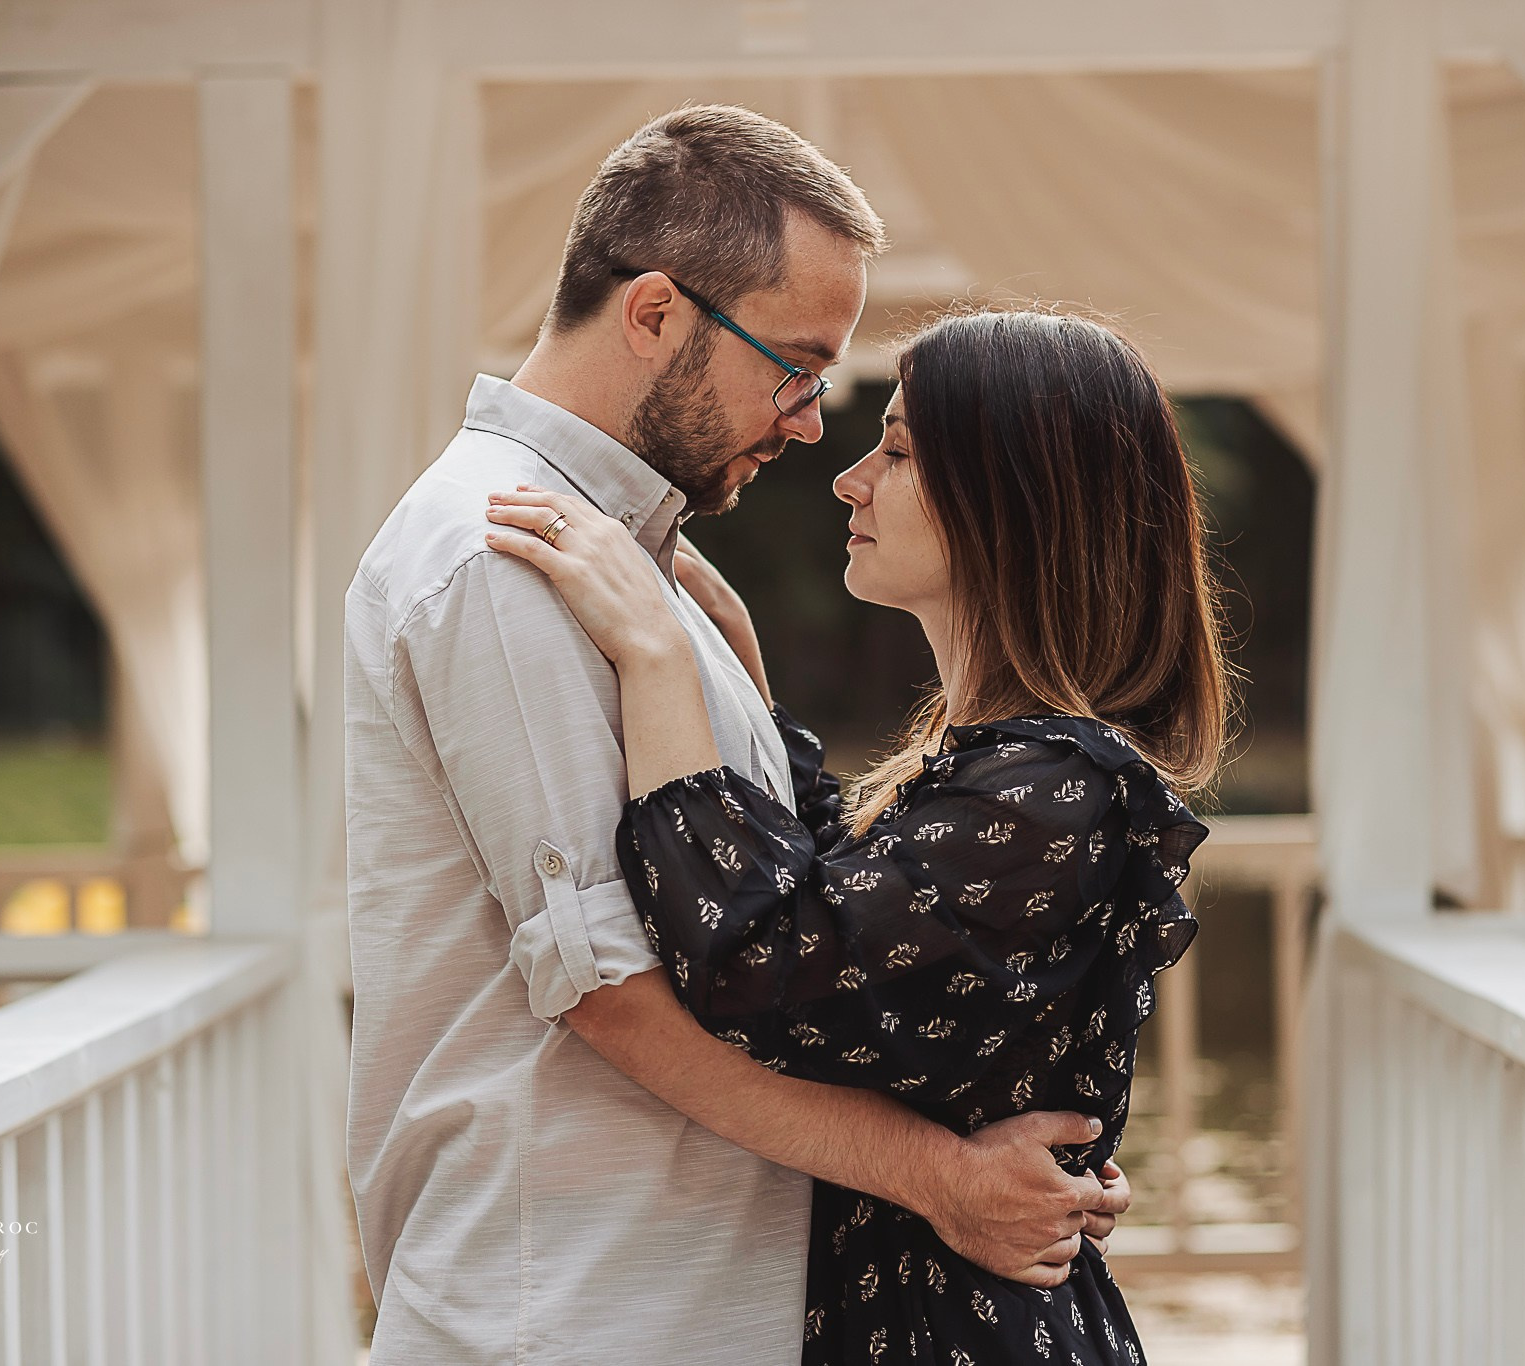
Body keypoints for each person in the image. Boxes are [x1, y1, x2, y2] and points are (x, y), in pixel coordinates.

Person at [344, 107, 1127, 1365]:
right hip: (571, 1307)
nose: (814, 421)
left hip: (666, 1298)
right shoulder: (498, 559)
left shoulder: (637, 569)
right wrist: (945, 1178)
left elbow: (803, 917)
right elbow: (611, 997)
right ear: (654, 312)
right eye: (795, 366)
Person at [483, 306, 1228, 1363]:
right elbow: (836, 887)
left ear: (1007, 502)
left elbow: (759, 961)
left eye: (900, 450)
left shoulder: (1056, 786)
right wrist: (727, 646)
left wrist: (655, 658)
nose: (849, 478)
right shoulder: (1001, 770)